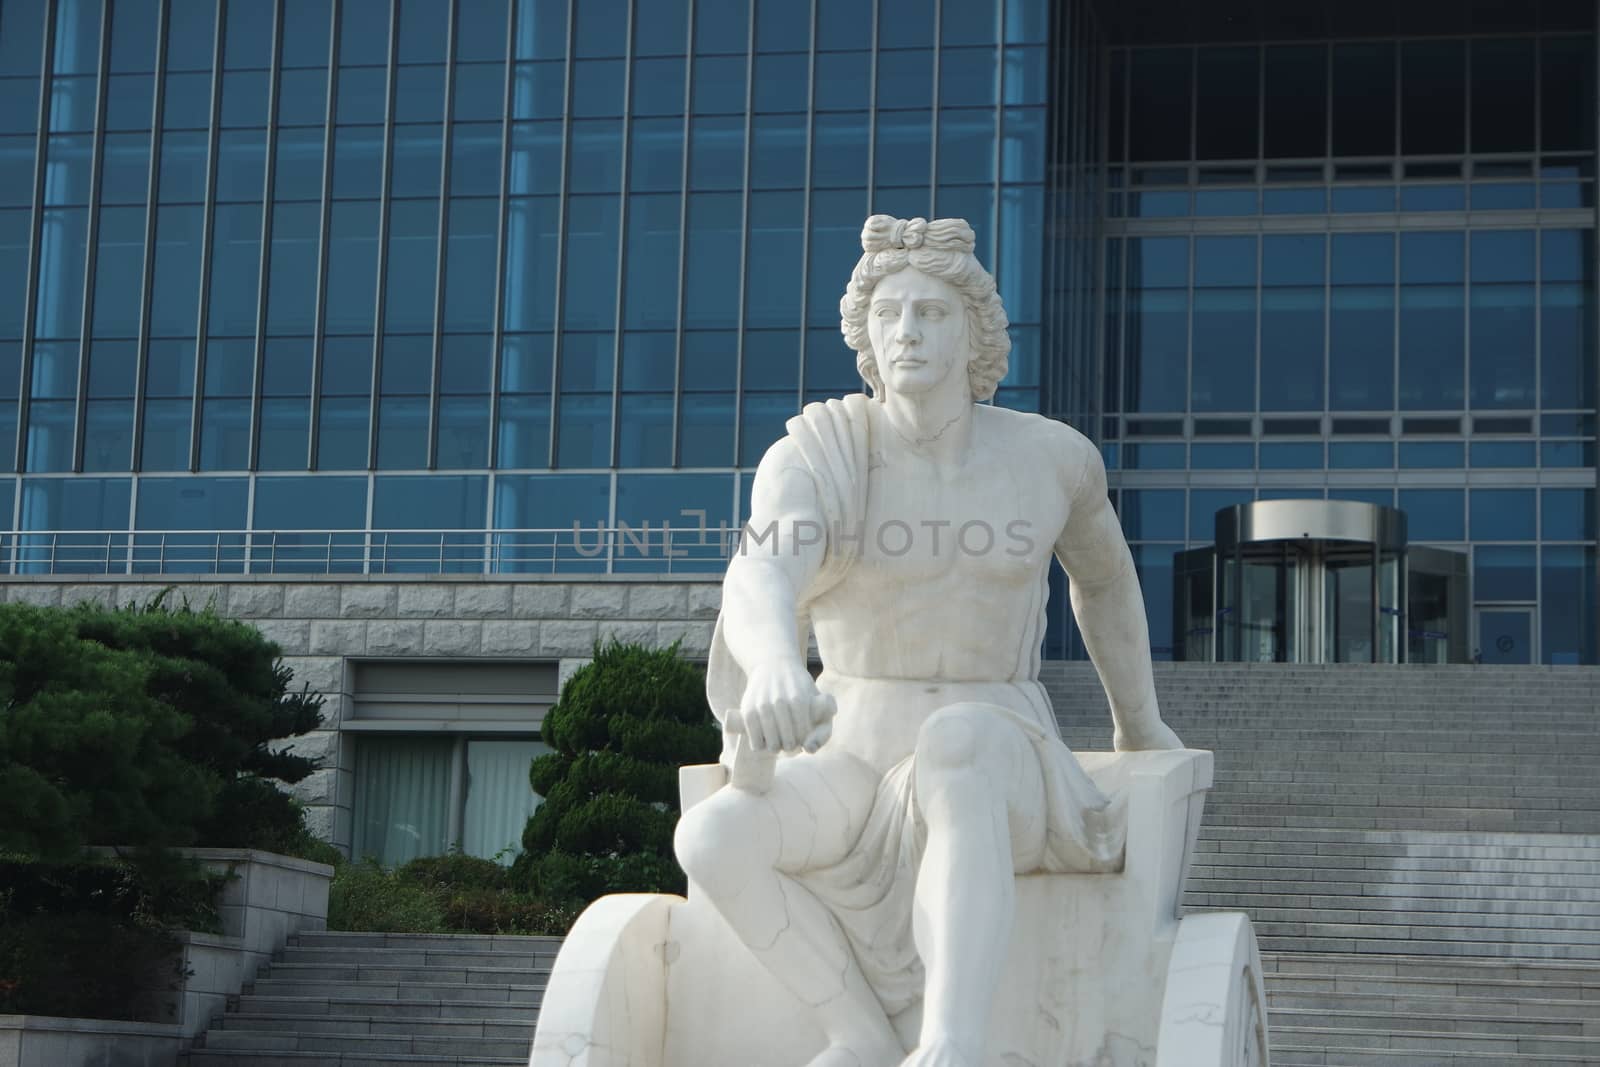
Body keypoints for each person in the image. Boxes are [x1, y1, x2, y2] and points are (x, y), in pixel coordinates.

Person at [674, 215, 1182, 1067]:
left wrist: (1138, 723)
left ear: (975, 330)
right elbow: (763, 570)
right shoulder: (817, 454)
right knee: (714, 838)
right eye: (889, 314)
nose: (906, 330)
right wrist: (768, 665)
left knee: (959, 745)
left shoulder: (1053, 459)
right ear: (864, 334)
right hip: (853, 749)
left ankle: (954, 1044)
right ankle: (861, 1033)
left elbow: (1105, 585)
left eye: (931, 312)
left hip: (1001, 746)